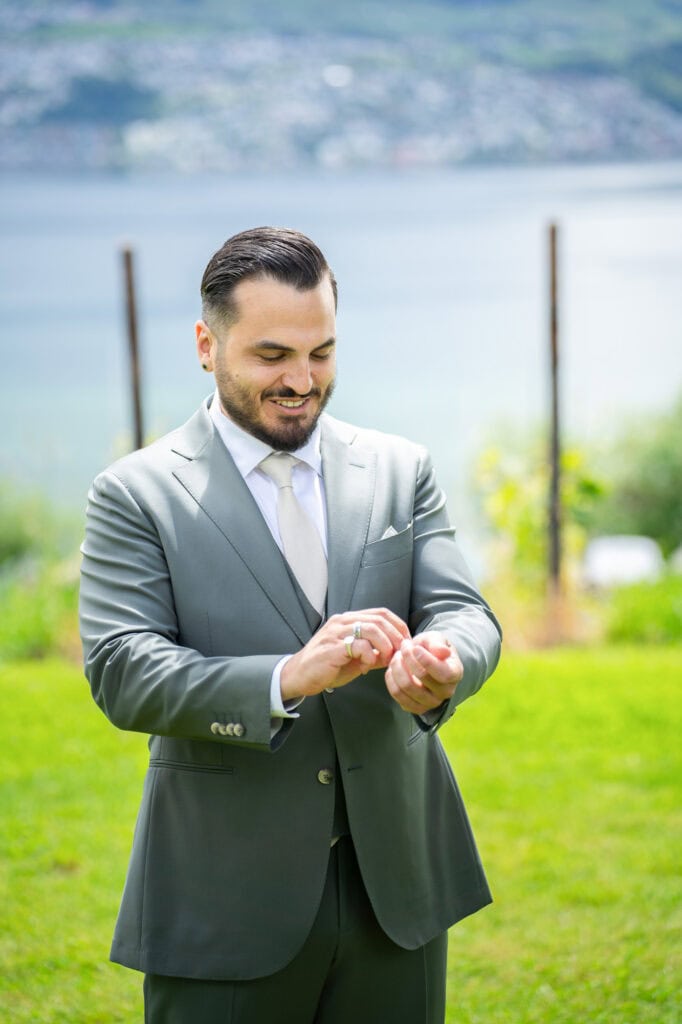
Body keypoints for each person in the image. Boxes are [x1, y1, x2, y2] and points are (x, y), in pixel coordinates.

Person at [79, 226, 502, 1024]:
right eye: (273, 356)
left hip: (397, 890)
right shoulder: (134, 494)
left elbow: (464, 613)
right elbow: (122, 670)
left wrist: (449, 658)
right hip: (224, 896)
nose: (302, 381)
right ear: (207, 344)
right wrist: (286, 678)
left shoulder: (399, 469)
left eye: (322, 354)